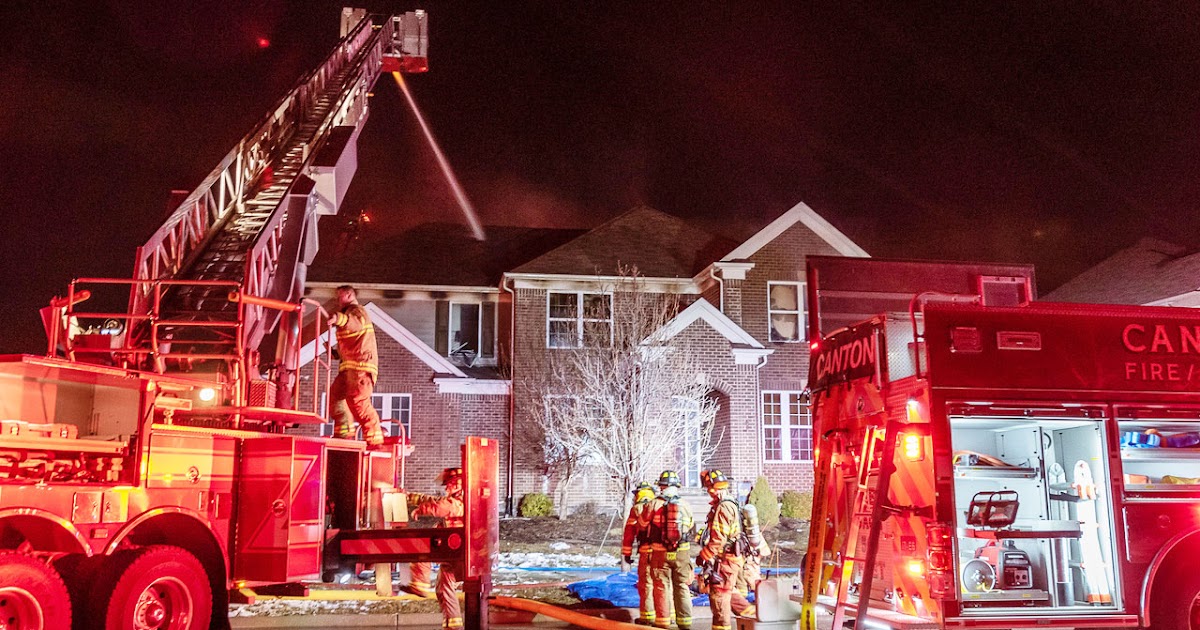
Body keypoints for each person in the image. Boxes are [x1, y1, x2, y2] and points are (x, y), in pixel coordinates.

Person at [406, 468, 466, 628]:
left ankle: (420, 584)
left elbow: (441, 507)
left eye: (449, 484)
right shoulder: (456, 499)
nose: (446, 487)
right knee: (444, 588)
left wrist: (421, 509)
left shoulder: (461, 501)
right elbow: (434, 500)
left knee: (424, 548)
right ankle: (453, 626)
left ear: (458, 483)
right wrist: (408, 496)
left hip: (456, 551)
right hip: (455, 552)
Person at [329, 285, 384, 447]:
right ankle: (344, 433)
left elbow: (354, 324)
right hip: (348, 369)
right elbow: (352, 344)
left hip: (361, 368)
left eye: (340, 296)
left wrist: (337, 318)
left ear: (349, 294)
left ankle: (375, 441)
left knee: (358, 401)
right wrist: (335, 354)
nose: (337, 299)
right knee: (335, 397)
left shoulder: (357, 312)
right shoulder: (349, 313)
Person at [697, 469, 745, 630]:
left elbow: (719, 540)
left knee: (719, 597)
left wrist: (704, 556)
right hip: (729, 559)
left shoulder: (723, 507)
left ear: (712, 488)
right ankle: (752, 617)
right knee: (728, 593)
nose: (708, 492)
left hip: (726, 560)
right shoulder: (728, 503)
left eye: (708, 488)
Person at [649, 470, 695, 630]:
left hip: (660, 552)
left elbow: (643, 523)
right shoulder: (686, 505)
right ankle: (685, 623)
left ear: (662, 486)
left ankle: (663, 623)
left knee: (661, 586)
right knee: (682, 585)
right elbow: (690, 525)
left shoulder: (654, 504)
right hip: (681, 552)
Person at [621, 481, 659, 626]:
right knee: (663, 584)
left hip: (646, 551)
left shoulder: (637, 509)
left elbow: (629, 534)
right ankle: (667, 617)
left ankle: (648, 617)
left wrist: (627, 553)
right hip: (663, 552)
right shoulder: (661, 505)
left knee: (646, 584)